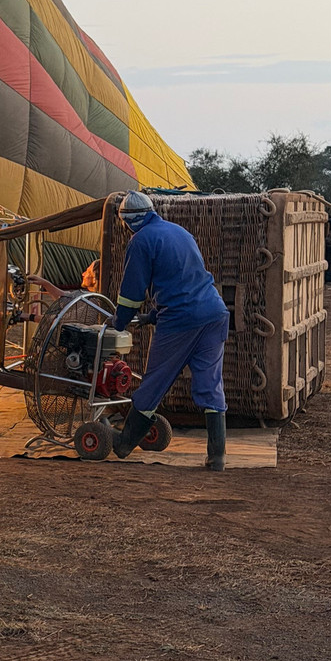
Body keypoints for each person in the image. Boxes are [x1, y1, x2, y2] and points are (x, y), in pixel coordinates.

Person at [110, 191, 230, 470]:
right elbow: (185, 279)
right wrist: (154, 315)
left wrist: (119, 323)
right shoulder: (179, 232)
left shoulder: (141, 240)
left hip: (181, 320)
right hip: (214, 313)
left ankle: (124, 443)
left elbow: (131, 293)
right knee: (210, 383)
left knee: (156, 380)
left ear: (129, 220)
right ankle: (217, 456)